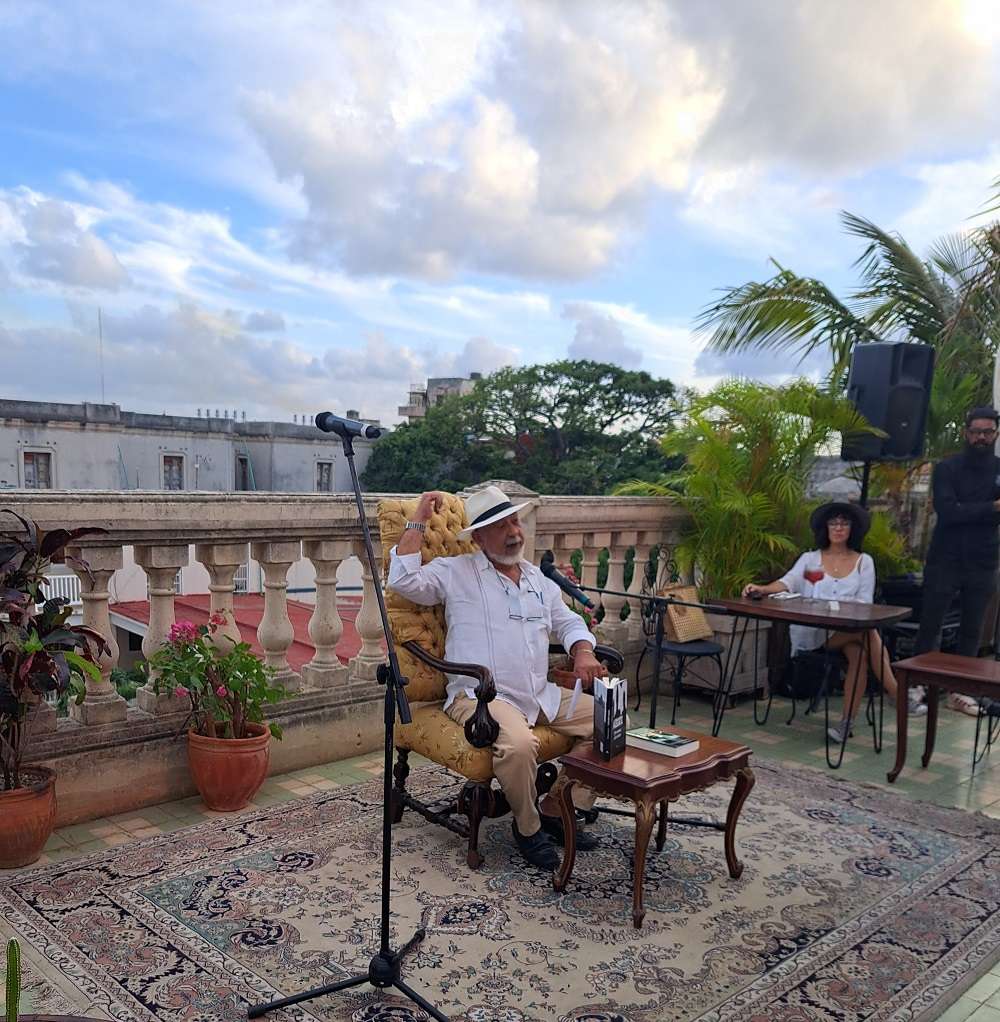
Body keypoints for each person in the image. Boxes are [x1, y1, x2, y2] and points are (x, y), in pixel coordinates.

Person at [387, 485, 606, 871]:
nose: (513, 531)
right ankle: (529, 827)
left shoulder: (539, 579)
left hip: (539, 695)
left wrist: (583, 650)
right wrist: (418, 518)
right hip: (480, 698)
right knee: (519, 746)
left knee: (610, 719)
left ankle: (559, 807)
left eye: (515, 521)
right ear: (480, 536)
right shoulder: (457, 572)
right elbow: (403, 581)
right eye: (501, 525)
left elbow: (569, 621)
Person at [743, 501, 926, 744]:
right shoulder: (810, 560)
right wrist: (763, 588)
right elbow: (787, 582)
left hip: (850, 630)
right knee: (868, 635)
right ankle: (897, 695)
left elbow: (864, 605)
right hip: (814, 633)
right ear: (825, 528)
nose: (839, 528)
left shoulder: (864, 562)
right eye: (834, 523)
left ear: (853, 529)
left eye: (844, 523)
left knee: (861, 653)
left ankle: (845, 725)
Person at [916, 407, 1000, 716]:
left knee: (973, 629)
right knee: (931, 624)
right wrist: (991, 507)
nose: (981, 437)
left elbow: (962, 510)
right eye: (976, 431)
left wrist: (971, 509)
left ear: (996, 435)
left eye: (987, 432)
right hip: (945, 559)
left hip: (984, 560)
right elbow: (948, 511)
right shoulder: (947, 468)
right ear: (966, 433)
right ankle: (921, 685)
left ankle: (961, 690)